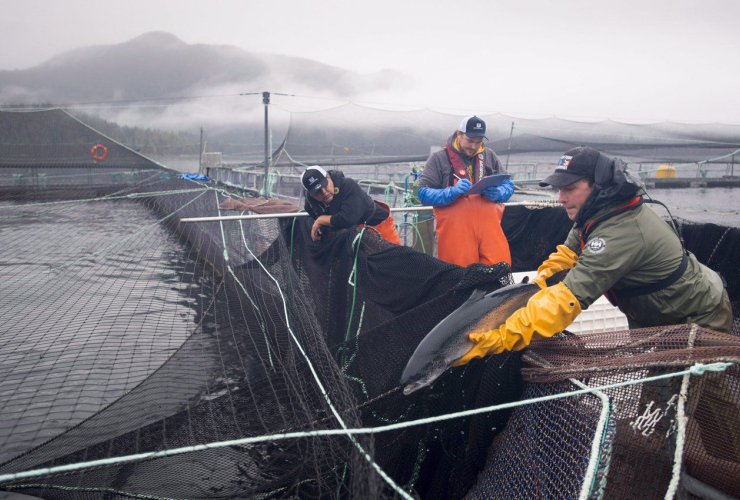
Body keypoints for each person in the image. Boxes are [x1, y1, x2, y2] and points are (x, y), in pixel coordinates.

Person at [454, 146, 733, 365]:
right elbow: (567, 255)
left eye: (570, 188)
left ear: (598, 186)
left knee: (706, 395)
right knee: (660, 392)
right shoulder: (595, 214)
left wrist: (497, 338)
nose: (560, 198)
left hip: (695, 316)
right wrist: (538, 286)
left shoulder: (620, 233)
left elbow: (566, 302)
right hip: (655, 318)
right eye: (559, 189)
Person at [417, 115, 514, 267]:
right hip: (456, 238)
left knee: (499, 271)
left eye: (478, 142)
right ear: (458, 134)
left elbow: (508, 185)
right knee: (457, 277)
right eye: (470, 141)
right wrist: (451, 192)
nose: (474, 146)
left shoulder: (489, 155)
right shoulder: (438, 158)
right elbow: (423, 194)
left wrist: (500, 192)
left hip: (490, 234)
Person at [302, 165, 401, 245]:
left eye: (324, 185)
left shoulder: (348, 185)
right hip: (352, 237)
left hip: (378, 227)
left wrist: (320, 220)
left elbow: (347, 219)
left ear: (328, 177)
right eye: (317, 191)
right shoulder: (310, 205)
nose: (324, 192)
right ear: (310, 194)